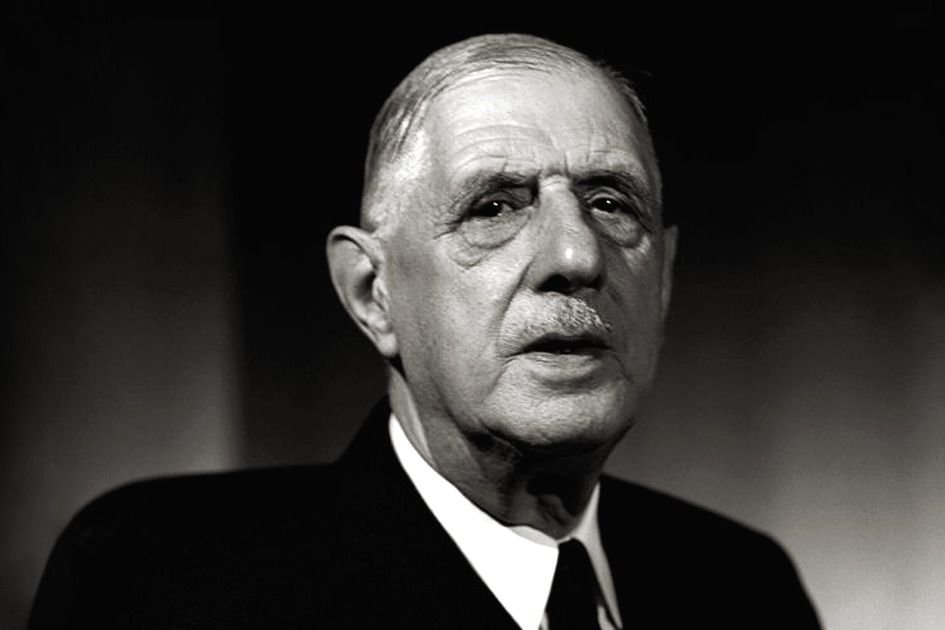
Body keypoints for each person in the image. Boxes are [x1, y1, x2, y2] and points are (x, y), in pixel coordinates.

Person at [30, 33, 821, 629]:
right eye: (494, 206)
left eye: (611, 203)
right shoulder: (161, 580)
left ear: (665, 279)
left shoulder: (744, 587)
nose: (577, 256)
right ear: (372, 293)